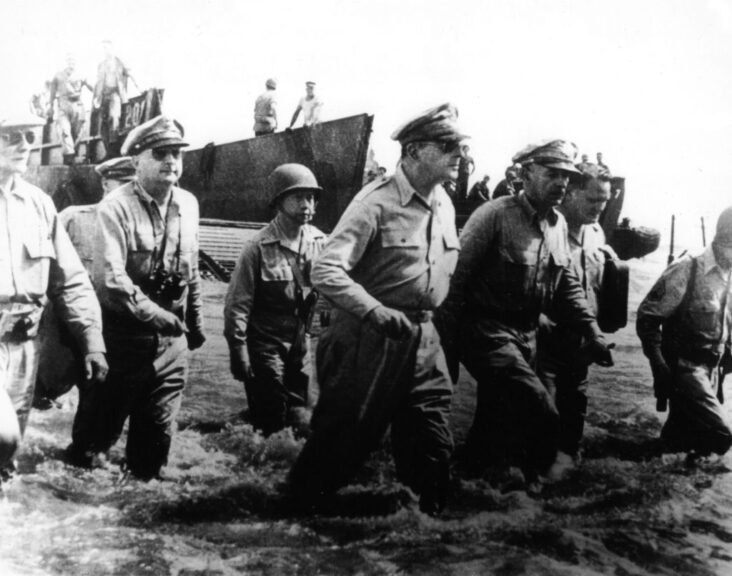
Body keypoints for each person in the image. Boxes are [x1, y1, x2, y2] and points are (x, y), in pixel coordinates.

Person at [287, 103, 465, 515]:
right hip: (368, 338)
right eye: (447, 145)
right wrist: (373, 311)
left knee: (433, 447)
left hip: (424, 342)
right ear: (415, 151)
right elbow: (326, 270)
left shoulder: (445, 204)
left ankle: (419, 542)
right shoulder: (375, 204)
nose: (459, 154)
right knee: (341, 447)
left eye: (459, 145)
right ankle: (289, 530)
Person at [440, 139, 613, 490]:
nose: (562, 183)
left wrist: (592, 332)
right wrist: (445, 349)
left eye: (566, 175)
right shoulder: (493, 215)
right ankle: (536, 496)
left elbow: (565, 286)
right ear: (525, 174)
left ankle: (462, 488)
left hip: (527, 335)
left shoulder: (558, 225)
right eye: (552, 173)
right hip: (486, 331)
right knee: (541, 408)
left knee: (494, 422)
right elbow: (453, 282)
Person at [88, 115, 206, 480]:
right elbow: (110, 279)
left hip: (172, 345)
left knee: (152, 454)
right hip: (121, 341)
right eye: (161, 153)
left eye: (176, 154)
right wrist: (154, 314)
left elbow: (193, 269)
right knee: (93, 450)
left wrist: (196, 323)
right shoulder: (115, 207)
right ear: (137, 161)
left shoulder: (189, 205)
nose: (171, 161)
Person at [0, 113, 107, 484]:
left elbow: (71, 281)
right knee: (3, 437)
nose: (24, 143)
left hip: (25, 349)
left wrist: (92, 341)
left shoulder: (39, 204)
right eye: (10, 134)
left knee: (6, 461)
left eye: (29, 135)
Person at [34, 157, 135, 464]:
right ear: (106, 185)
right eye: (124, 185)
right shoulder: (73, 218)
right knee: (39, 398)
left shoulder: (140, 228)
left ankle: (80, 466)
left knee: (97, 422)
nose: (130, 194)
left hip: (109, 337)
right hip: (65, 332)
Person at [224, 164, 325, 436]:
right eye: (298, 197)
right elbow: (237, 305)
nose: (307, 205)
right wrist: (239, 350)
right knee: (270, 415)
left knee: (300, 414)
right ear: (279, 201)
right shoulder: (257, 247)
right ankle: (255, 464)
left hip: (301, 345)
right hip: (265, 346)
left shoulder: (320, 243)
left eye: (311, 198)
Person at [536, 162, 615, 478]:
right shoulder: (546, 230)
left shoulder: (597, 234)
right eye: (592, 200)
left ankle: (563, 477)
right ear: (569, 193)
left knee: (574, 412)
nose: (599, 207)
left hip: (581, 344)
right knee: (542, 411)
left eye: (604, 200)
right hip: (545, 340)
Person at [637, 207, 732, 462]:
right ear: (723, 238)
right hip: (684, 368)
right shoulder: (687, 269)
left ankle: (657, 486)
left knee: (684, 443)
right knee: (722, 434)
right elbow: (648, 318)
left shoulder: (729, 274)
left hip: (713, 371)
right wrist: (659, 365)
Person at [93, 40, 135, 158]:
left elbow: (131, 74)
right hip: (103, 96)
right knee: (102, 125)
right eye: (103, 49)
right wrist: (96, 97)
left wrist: (139, 87)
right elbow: (98, 82)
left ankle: (114, 148)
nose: (105, 51)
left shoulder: (119, 62)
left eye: (107, 48)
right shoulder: (101, 65)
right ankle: (108, 151)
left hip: (115, 94)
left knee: (114, 117)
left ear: (112, 48)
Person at [49, 55, 93, 165]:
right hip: (63, 104)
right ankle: (69, 156)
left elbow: (92, 86)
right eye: (69, 61)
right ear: (65, 62)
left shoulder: (81, 75)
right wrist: (50, 106)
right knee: (65, 130)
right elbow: (52, 92)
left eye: (73, 62)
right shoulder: (58, 76)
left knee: (78, 132)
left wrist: (98, 96)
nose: (71, 64)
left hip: (78, 104)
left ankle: (72, 155)